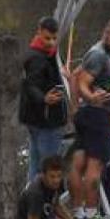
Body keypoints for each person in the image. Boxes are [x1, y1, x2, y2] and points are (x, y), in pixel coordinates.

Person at [70, 19, 110, 219]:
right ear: (106, 33)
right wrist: (89, 97)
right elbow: (84, 82)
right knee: (94, 167)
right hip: (97, 115)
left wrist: (75, 107)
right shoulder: (99, 54)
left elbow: (75, 75)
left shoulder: (99, 53)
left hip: (86, 115)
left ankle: (78, 212)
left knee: (79, 162)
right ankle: (92, 214)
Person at [19, 16, 68, 181]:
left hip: (37, 120)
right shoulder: (36, 58)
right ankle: (40, 202)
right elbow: (31, 85)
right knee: (48, 168)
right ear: (38, 32)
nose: (51, 42)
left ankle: (31, 201)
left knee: (36, 164)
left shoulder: (46, 54)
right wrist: (44, 99)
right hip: (46, 121)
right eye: (47, 38)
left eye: (54, 38)